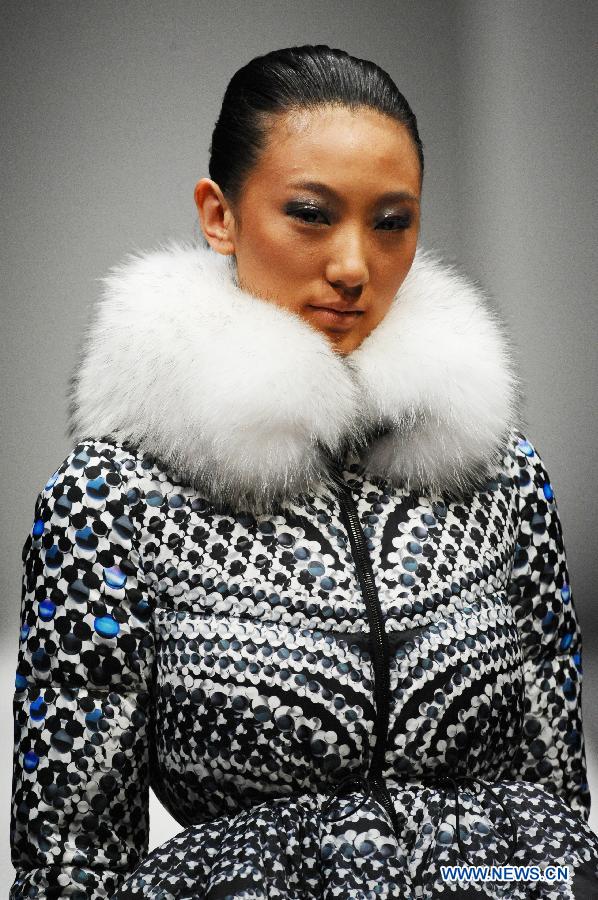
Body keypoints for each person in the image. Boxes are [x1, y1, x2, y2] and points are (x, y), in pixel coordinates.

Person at [9, 43, 598, 900]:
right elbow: (71, 867)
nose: (355, 266)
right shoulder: (110, 503)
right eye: (312, 214)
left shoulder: (500, 478)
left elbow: (556, 832)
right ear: (220, 215)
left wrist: (481, 883)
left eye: (392, 222)